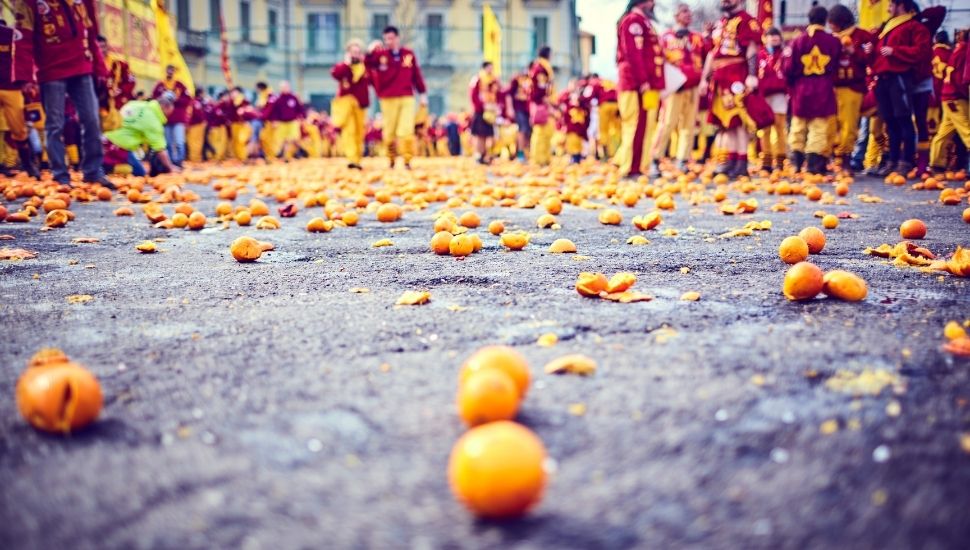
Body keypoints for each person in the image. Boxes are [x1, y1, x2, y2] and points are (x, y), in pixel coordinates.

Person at [15, 0, 112, 187]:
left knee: (91, 120)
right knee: (55, 125)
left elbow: (91, 34)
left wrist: (99, 67)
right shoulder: (29, 2)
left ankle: (93, 171)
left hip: (82, 67)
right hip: (51, 71)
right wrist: (25, 76)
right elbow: (23, 38)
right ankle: (60, 175)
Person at [866, 0, 931, 176]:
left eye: (890, 4)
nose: (887, 9)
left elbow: (922, 51)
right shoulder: (887, 27)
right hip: (883, 79)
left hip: (900, 77)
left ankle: (906, 160)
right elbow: (877, 54)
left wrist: (896, 51)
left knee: (903, 119)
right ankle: (892, 160)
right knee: (890, 121)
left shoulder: (914, 26)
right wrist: (870, 50)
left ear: (900, 5)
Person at [698, 0, 762, 177]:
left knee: (738, 121)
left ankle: (741, 163)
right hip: (719, 80)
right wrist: (704, 79)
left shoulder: (748, 21)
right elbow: (713, 53)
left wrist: (751, 74)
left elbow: (752, 50)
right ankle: (728, 161)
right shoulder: (722, 23)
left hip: (736, 77)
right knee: (725, 124)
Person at [783, 5, 841, 174]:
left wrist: (793, 85)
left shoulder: (798, 41)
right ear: (825, 21)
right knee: (818, 126)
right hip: (823, 87)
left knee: (798, 125)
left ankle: (797, 163)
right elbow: (836, 66)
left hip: (801, 88)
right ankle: (814, 165)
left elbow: (788, 68)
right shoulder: (833, 41)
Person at [652, 3, 704, 173]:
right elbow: (659, 59)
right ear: (675, 16)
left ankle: (682, 159)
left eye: (689, 12)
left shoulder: (697, 37)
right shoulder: (666, 37)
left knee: (689, 125)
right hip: (675, 87)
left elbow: (705, 57)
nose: (688, 15)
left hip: (693, 86)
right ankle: (655, 157)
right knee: (667, 123)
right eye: (684, 12)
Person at [366, 25, 428, 169]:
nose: (389, 41)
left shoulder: (408, 54)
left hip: (407, 96)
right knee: (389, 132)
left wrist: (423, 93)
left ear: (397, 38)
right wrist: (370, 51)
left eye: (392, 38)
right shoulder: (379, 55)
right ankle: (391, 158)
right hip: (387, 97)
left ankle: (407, 159)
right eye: (386, 39)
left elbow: (416, 75)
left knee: (406, 129)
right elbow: (367, 66)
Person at [614, 0, 664, 179]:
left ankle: (642, 165)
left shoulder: (644, 22)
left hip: (650, 85)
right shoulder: (633, 21)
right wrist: (643, 81)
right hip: (637, 85)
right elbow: (633, 53)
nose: (654, 4)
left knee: (648, 124)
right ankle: (630, 167)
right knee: (635, 125)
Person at [827, 4, 873, 173]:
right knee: (831, 124)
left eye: (832, 22)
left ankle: (846, 159)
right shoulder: (830, 38)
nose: (830, 26)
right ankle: (831, 157)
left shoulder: (862, 36)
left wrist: (854, 51)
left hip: (852, 87)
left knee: (848, 125)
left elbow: (871, 59)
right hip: (832, 88)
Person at [104, 92, 181, 177]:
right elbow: (161, 150)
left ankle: (104, 164)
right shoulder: (154, 122)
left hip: (106, 139)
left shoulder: (135, 104)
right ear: (165, 107)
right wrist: (170, 167)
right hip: (120, 147)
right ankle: (108, 168)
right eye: (172, 107)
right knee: (140, 173)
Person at [0, 19, 39, 178]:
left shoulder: (13, 34)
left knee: (19, 129)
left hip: (12, 88)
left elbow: (27, 55)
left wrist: (28, 80)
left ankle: (28, 165)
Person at [929, 29, 969, 172]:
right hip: (955, 97)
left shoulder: (955, 51)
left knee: (945, 131)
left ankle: (936, 162)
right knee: (967, 129)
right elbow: (959, 78)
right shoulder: (961, 51)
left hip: (945, 96)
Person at [331, 39, 370, 170]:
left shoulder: (365, 67)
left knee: (359, 132)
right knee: (349, 131)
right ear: (348, 53)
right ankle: (352, 159)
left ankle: (357, 158)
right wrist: (346, 63)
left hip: (360, 105)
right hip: (346, 105)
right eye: (353, 52)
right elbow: (335, 74)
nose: (355, 55)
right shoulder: (344, 67)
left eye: (358, 52)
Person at [756, 28, 788, 172]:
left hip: (780, 95)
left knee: (779, 127)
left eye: (777, 37)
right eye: (771, 36)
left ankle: (780, 160)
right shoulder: (759, 55)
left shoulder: (785, 54)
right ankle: (766, 160)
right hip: (763, 96)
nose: (774, 39)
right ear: (765, 38)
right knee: (764, 128)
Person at [152, 65, 191, 166]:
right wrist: (163, 99)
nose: (170, 72)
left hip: (178, 118)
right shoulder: (160, 85)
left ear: (174, 72)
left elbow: (188, 99)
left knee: (179, 141)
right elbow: (154, 98)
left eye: (172, 70)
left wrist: (175, 100)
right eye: (168, 70)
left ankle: (179, 161)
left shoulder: (180, 85)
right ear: (166, 71)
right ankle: (169, 163)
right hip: (165, 118)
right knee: (167, 142)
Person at [96, 34, 135, 133]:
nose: (101, 50)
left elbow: (131, 81)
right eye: (98, 47)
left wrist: (120, 92)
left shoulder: (119, 64)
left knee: (123, 131)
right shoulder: (92, 65)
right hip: (101, 106)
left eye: (103, 47)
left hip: (120, 104)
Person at [529, 46, 557, 166]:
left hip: (543, 103)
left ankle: (544, 158)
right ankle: (538, 159)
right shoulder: (540, 68)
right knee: (541, 132)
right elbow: (540, 88)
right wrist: (547, 102)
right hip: (541, 104)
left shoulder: (543, 67)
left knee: (547, 132)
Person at [263, 81, 304, 161]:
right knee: (282, 140)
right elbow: (273, 111)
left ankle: (294, 152)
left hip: (292, 122)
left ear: (289, 87)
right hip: (281, 122)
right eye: (282, 87)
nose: (284, 89)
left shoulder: (294, 97)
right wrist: (274, 120)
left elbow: (300, 109)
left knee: (293, 138)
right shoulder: (277, 99)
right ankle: (285, 155)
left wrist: (301, 117)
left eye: (286, 87)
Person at [470, 61, 500, 164]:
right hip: (480, 111)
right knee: (480, 135)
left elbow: (498, 93)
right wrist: (481, 106)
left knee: (488, 135)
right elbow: (473, 96)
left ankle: (486, 154)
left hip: (490, 111)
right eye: (489, 68)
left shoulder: (493, 80)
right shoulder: (477, 79)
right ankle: (479, 154)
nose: (491, 70)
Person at [506, 66, 533, 161]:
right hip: (519, 109)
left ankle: (525, 152)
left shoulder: (531, 80)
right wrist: (510, 108)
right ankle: (520, 153)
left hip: (528, 110)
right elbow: (508, 94)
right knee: (522, 130)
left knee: (528, 131)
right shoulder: (516, 80)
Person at [186, 89, 207, 162]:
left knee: (193, 142)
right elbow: (198, 114)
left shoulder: (192, 102)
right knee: (196, 142)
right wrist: (203, 121)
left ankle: (194, 158)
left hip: (192, 125)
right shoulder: (196, 103)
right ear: (200, 93)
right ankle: (195, 159)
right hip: (196, 125)